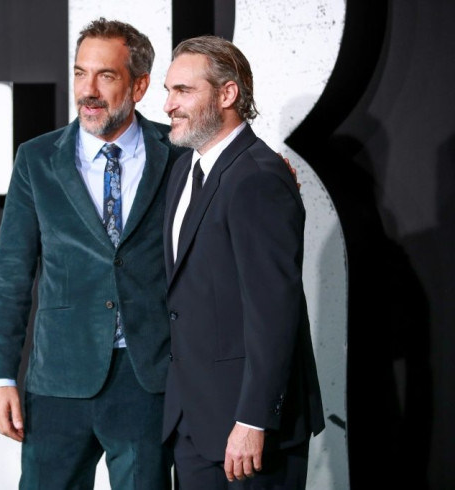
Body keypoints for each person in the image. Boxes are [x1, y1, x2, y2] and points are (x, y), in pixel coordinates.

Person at [0, 18, 184, 489]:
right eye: (80, 73)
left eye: (105, 76)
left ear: (139, 85)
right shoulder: (37, 159)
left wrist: (271, 171)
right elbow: (12, 273)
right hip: (58, 381)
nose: (87, 90)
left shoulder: (177, 155)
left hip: (146, 379)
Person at [161, 35, 325, 489]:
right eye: (167, 91)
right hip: (192, 422)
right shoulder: (184, 169)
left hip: (247, 432)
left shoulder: (257, 176)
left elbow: (275, 311)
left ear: (228, 94)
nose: (168, 105)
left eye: (183, 91)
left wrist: (253, 420)